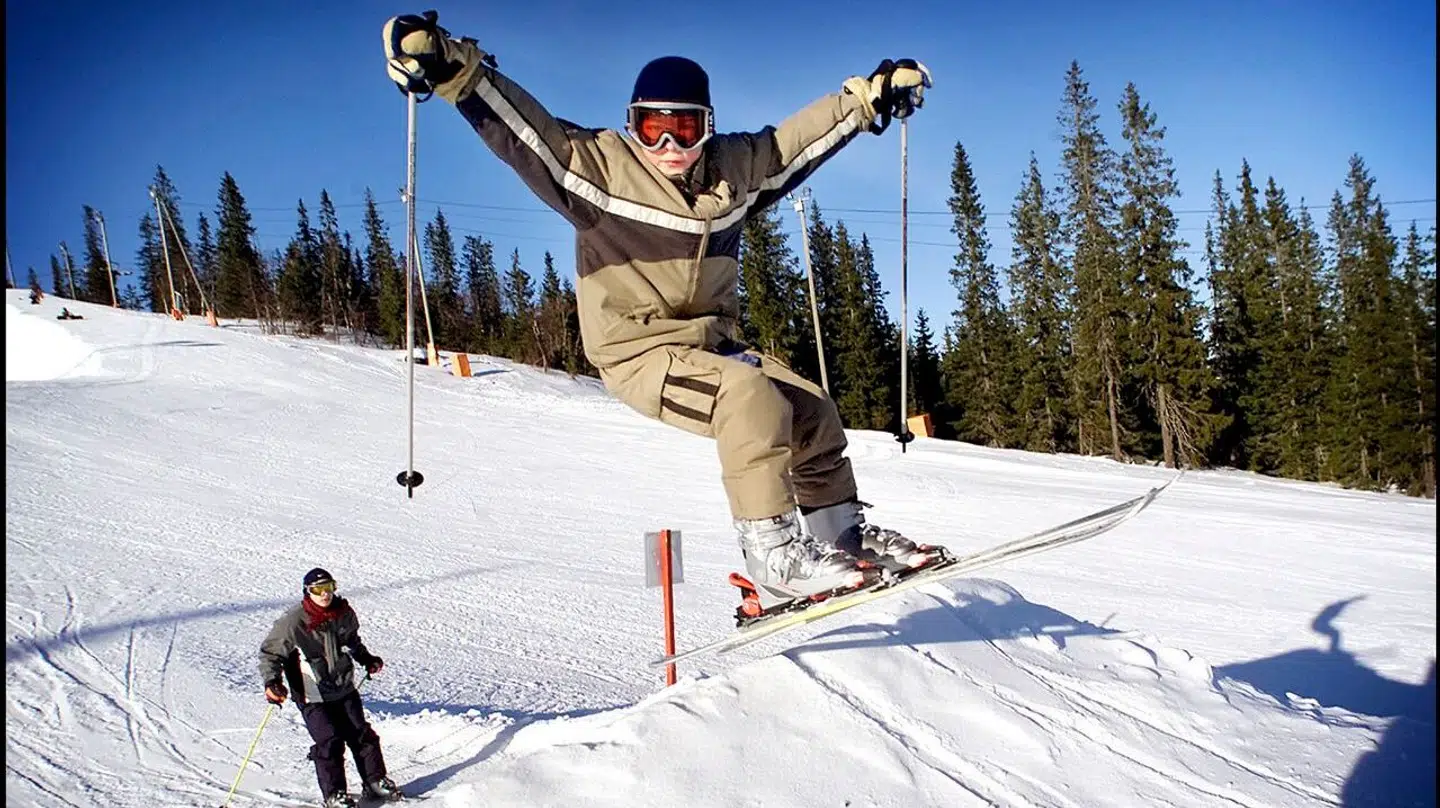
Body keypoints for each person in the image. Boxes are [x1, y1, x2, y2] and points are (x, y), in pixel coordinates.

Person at [381, 12, 947, 615]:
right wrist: (453, 68)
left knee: (810, 410)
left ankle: (839, 538)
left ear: (708, 127)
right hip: (637, 352)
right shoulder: (597, 170)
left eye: (683, 127)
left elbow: (793, 144)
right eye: (651, 127)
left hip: (711, 345)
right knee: (749, 398)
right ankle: (775, 558)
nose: (668, 146)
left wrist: (867, 99)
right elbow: (526, 133)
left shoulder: (734, 171)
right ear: (632, 126)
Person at [258, 568, 402, 807]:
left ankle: (374, 781)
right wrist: (272, 682)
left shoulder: (343, 613)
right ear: (308, 592)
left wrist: (366, 658)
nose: (324, 594)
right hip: (311, 692)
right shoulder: (293, 621)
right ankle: (334, 794)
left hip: (343, 686)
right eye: (318, 590)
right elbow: (271, 653)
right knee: (329, 741)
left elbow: (352, 641)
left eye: (329, 587)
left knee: (361, 734)